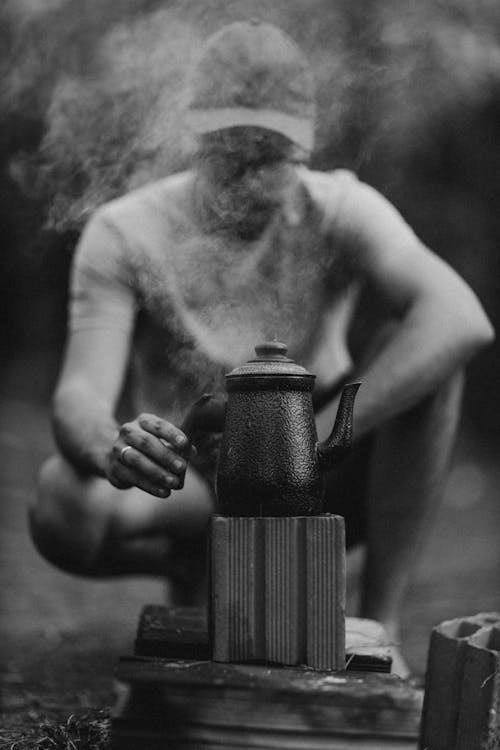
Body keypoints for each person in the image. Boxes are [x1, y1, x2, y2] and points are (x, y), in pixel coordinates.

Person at [30, 21, 494, 676]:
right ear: (196, 138)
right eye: (233, 153)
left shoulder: (338, 208)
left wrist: (312, 439)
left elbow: (459, 318)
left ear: (303, 150)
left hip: (325, 472)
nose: (253, 176)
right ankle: (205, 561)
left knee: (431, 363)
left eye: (272, 155)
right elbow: (80, 392)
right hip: (192, 476)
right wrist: (114, 446)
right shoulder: (125, 232)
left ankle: (378, 619)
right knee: (61, 503)